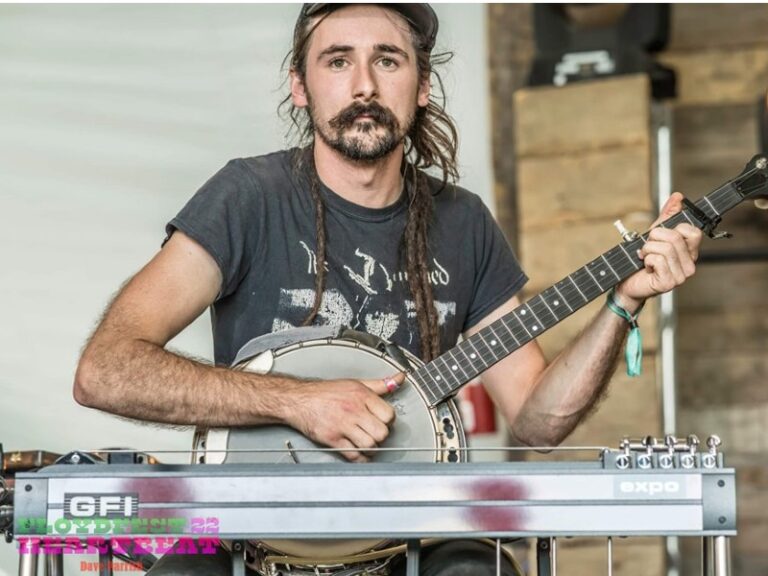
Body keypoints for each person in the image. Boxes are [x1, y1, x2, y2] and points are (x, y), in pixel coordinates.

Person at [73, 4, 702, 575]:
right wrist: (299, 402)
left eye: (388, 60)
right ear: (301, 84)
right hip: (249, 537)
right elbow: (106, 369)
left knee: (480, 571)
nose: (364, 85)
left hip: (411, 537)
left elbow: (537, 419)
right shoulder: (247, 199)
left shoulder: (463, 222)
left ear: (422, 86)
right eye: (338, 60)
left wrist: (623, 301)